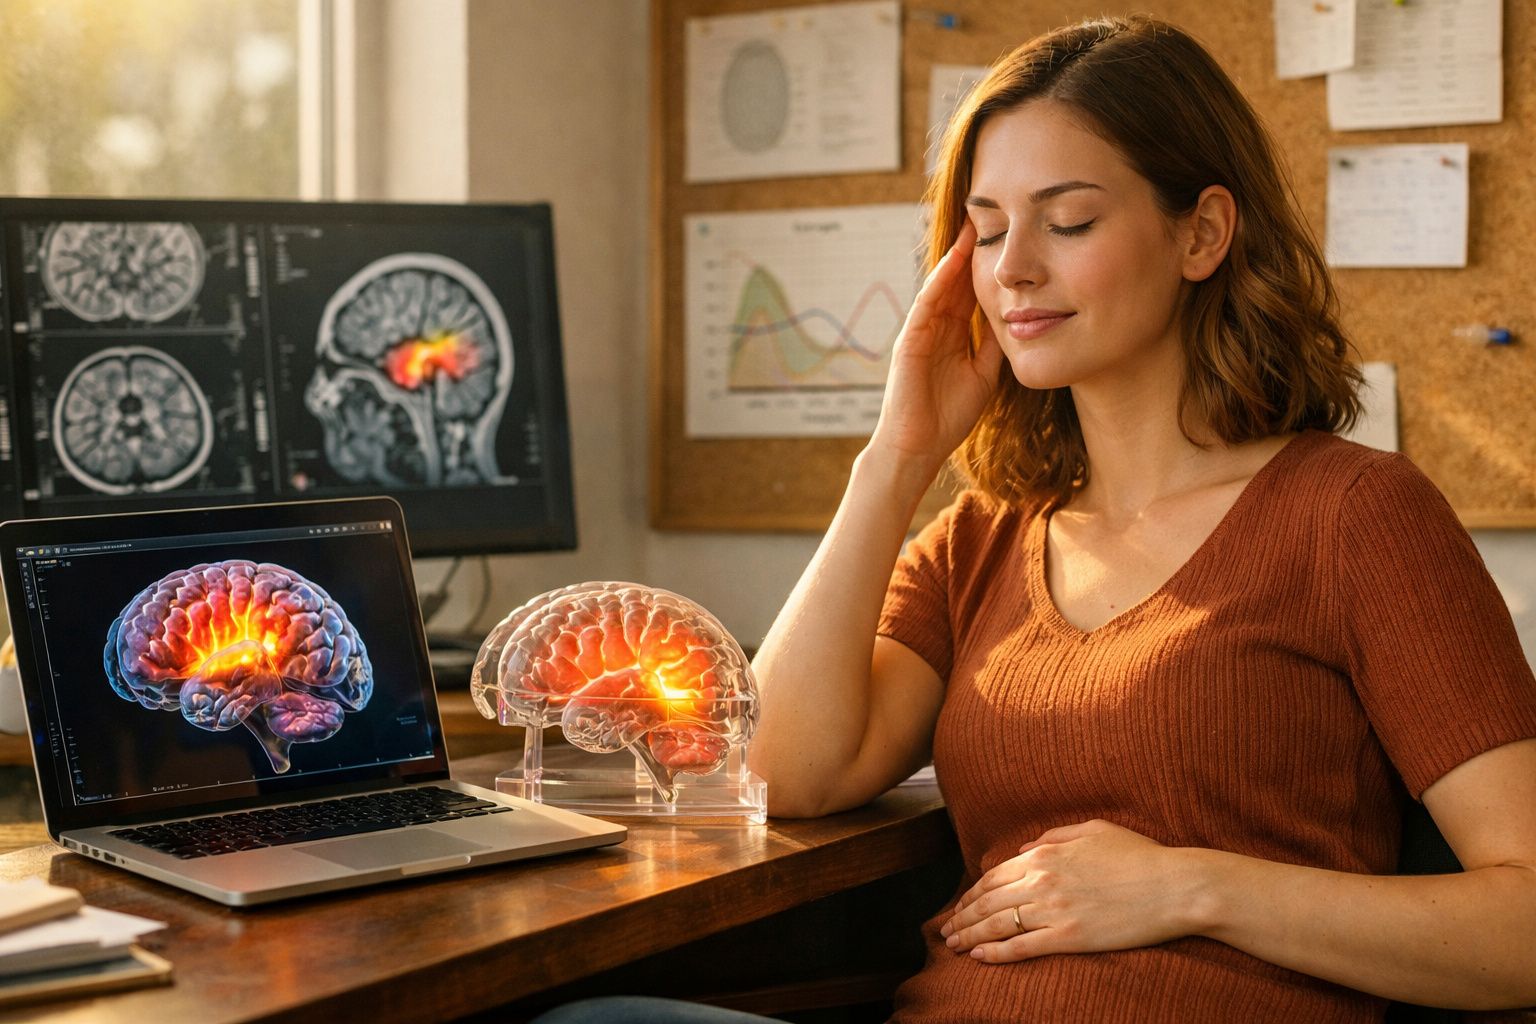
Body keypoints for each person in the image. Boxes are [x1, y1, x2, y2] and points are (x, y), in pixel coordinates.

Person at [532, 13, 1536, 1024]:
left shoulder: (1357, 516)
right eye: (988, 227)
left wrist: (1194, 887)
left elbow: (1523, 925)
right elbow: (781, 771)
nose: (1012, 267)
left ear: (1202, 233)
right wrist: (898, 458)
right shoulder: (981, 540)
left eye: (1069, 221)